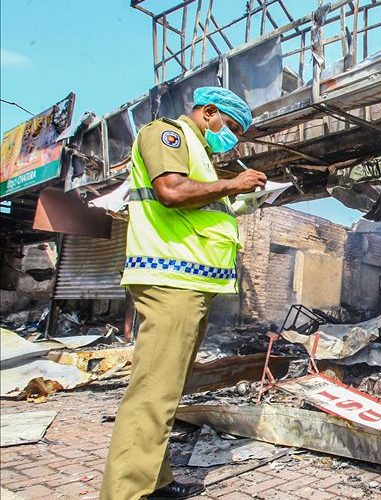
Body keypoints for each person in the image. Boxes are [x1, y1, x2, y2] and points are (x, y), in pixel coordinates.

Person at [100, 87, 266, 500]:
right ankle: (125, 493)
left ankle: (154, 482)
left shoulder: (200, 155)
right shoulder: (166, 134)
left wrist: (240, 197)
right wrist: (233, 183)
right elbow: (172, 193)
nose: (232, 138)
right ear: (209, 112)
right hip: (170, 281)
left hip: (189, 285)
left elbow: (200, 209)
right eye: (231, 127)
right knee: (152, 394)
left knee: (166, 391)